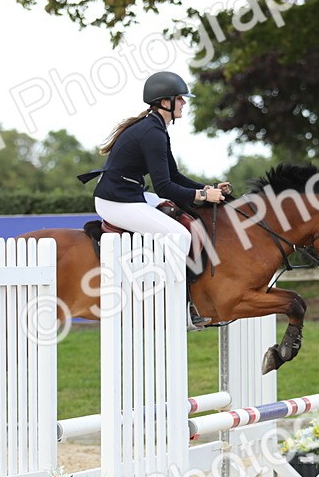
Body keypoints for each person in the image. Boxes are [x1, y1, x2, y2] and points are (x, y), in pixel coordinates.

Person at [78, 71, 231, 326]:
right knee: (180, 236)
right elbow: (164, 187)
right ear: (164, 101)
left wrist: (207, 188)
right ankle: (175, 307)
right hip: (116, 202)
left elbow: (174, 176)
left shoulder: (156, 128)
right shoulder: (152, 132)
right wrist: (203, 195)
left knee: (182, 219)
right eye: (180, 99)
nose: (184, 103)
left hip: (129, 194)